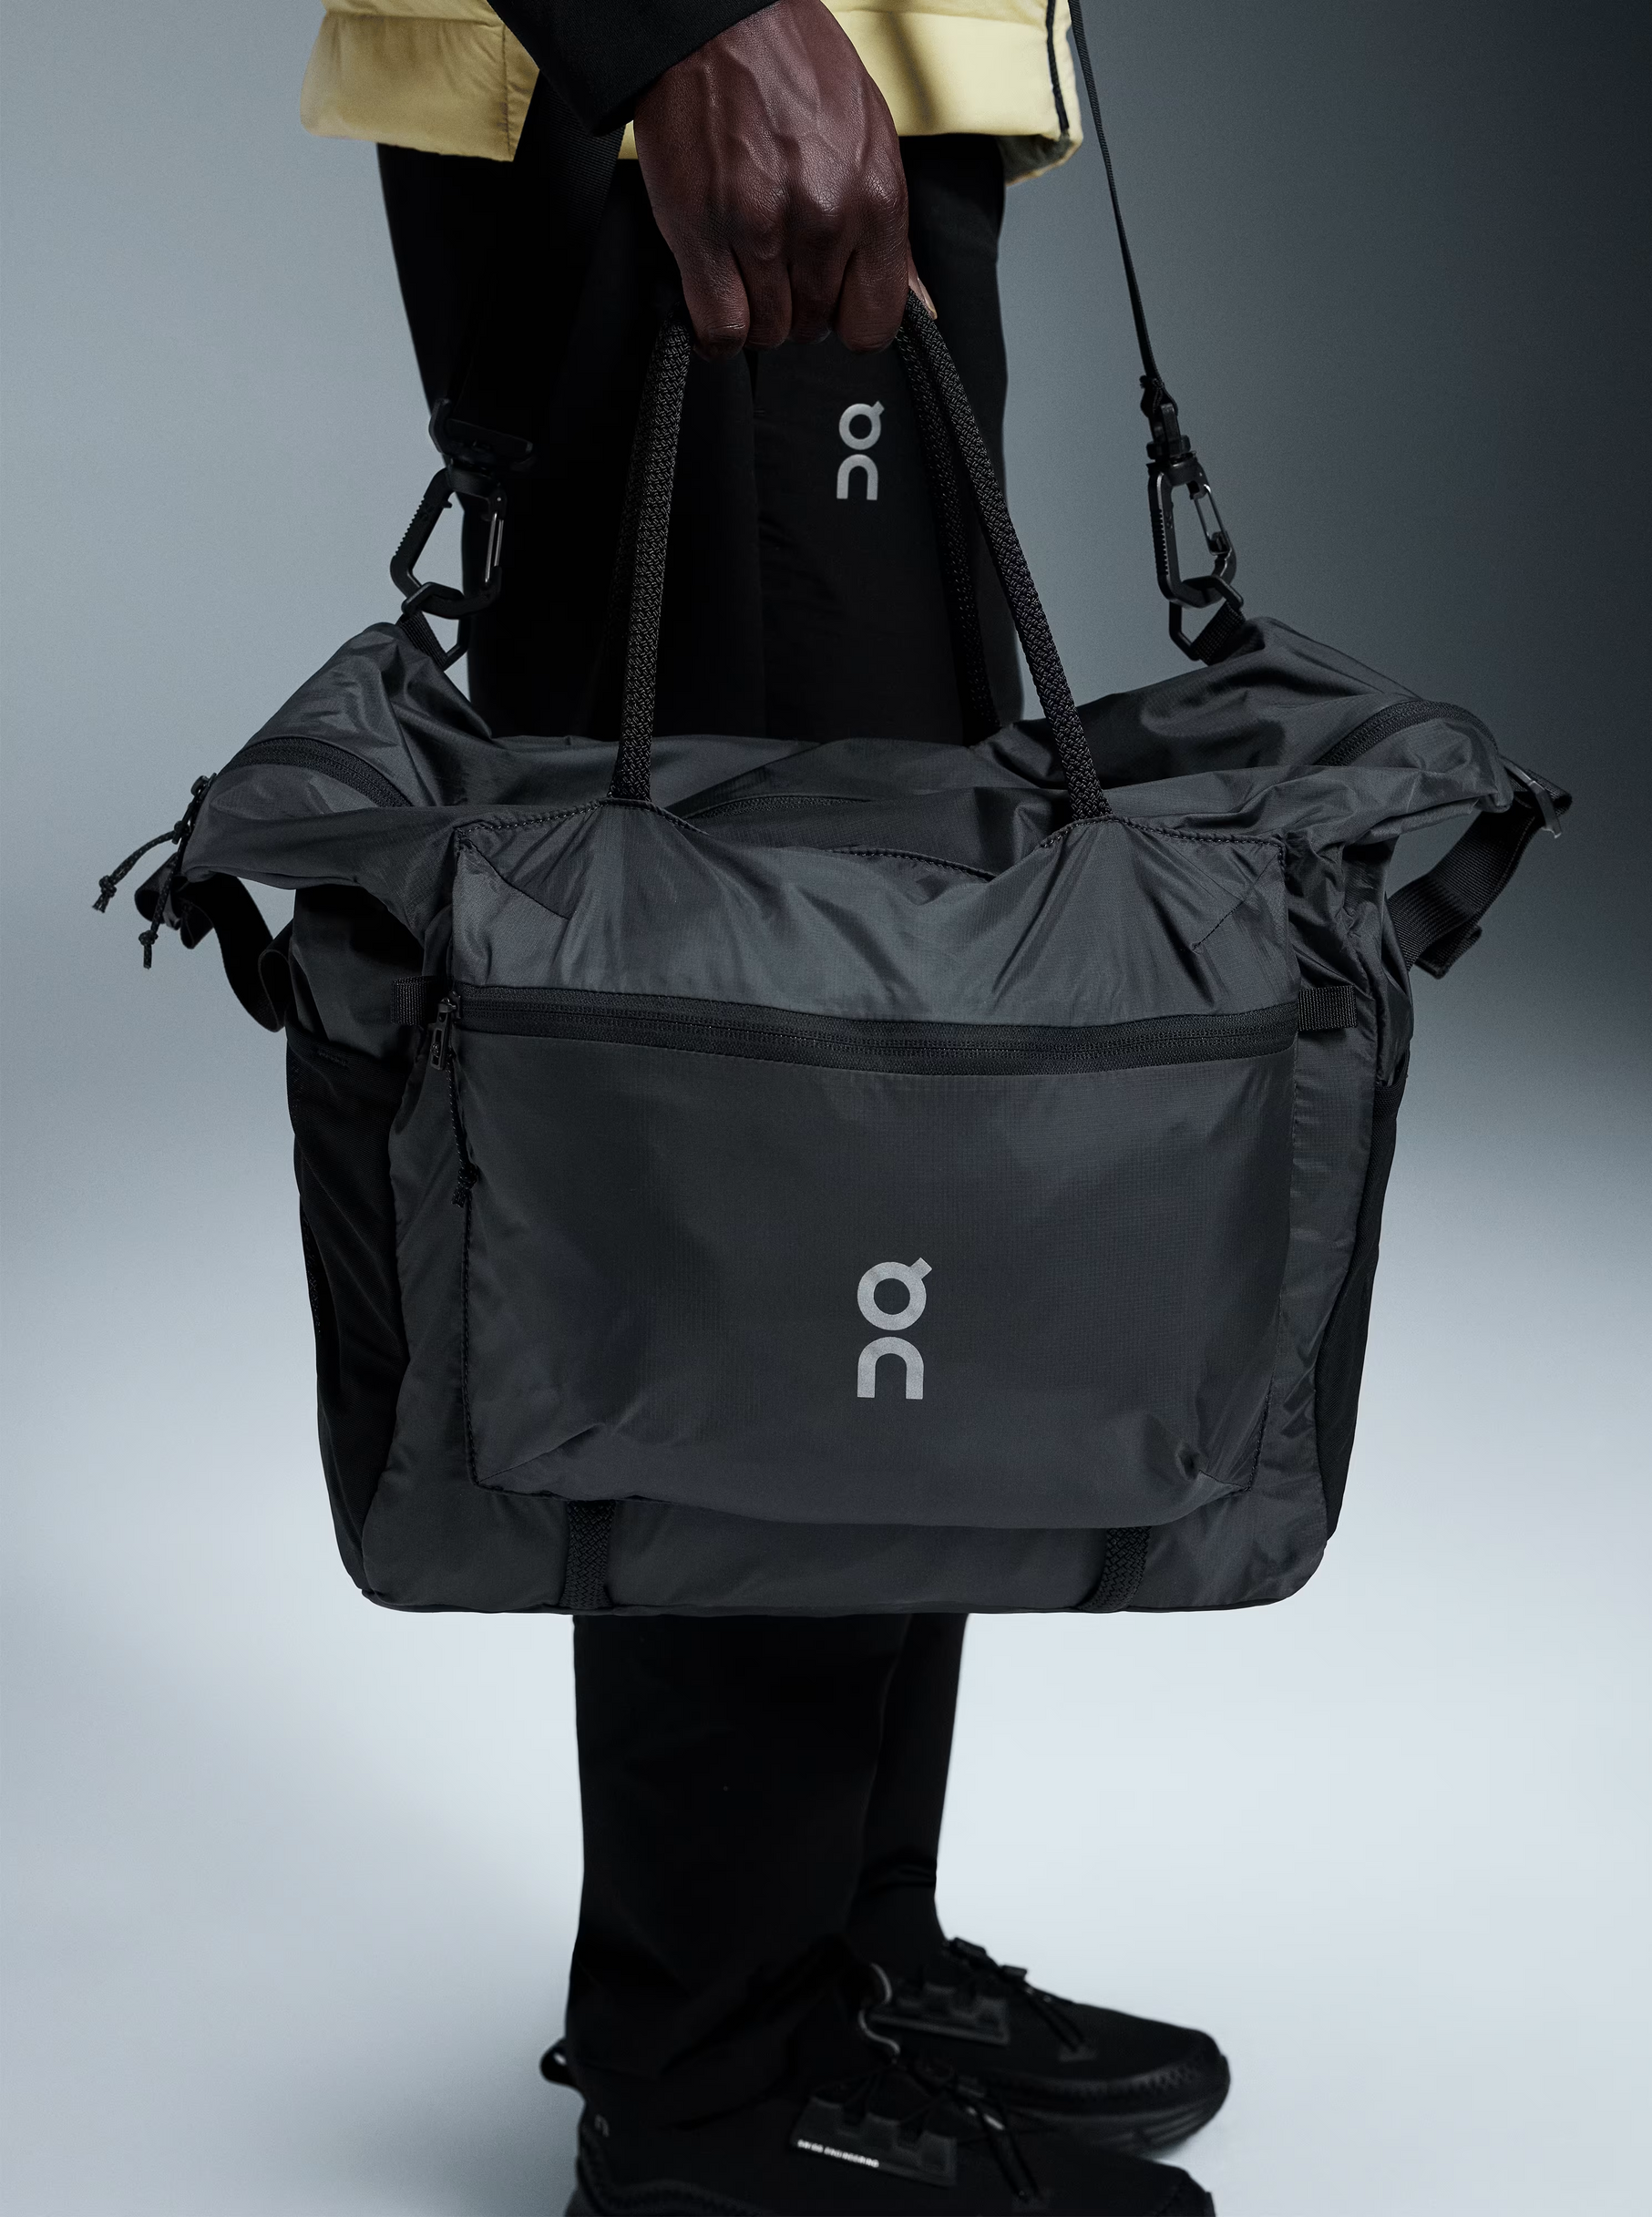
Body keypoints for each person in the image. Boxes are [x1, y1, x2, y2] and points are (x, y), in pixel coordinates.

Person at [303, 4, 1228, 2209]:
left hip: (851, 84)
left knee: (881, 1095)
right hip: (717, 85)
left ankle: (837, 1966)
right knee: (775, 1121)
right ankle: (711, 2092)